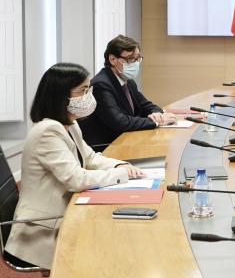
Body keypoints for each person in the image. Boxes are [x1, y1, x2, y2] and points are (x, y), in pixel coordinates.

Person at [4, 63, 144, 270]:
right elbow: (76, 179)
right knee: (112, 247)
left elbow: (90, 158)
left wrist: (120, 165)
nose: (88, 96)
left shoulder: (69, 123)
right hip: (41, 229)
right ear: (61, 96)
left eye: (89, 89)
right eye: (83, 91)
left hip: (63, 214)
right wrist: (120, 175)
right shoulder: (48, 131)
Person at [78, 35, 175, 150]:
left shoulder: (128, 82)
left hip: (124, 141)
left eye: (138, 58)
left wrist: (157, 115)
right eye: (130, 59)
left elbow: (148, 106)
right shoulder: (101, 85)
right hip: (106, 147)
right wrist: (155, 122)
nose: (135, 63)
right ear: (113, 59)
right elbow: (120, 122)